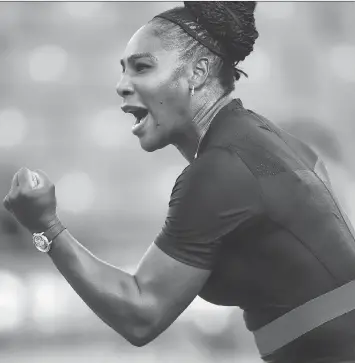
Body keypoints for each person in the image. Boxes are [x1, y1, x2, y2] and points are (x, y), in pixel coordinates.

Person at [3, 2, 355, 362]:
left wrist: (45, 226)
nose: (122, 86)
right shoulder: (274, 142)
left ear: (199, 71)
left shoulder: (221, 171)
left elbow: (141, 314)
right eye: (123, 71)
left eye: (142, 67)